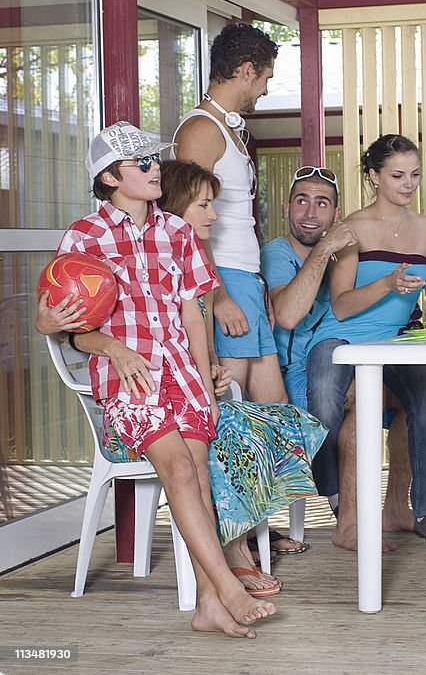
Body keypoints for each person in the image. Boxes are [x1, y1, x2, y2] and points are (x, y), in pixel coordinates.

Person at [35, 121, 275, 638]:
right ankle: (227, 587)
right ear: (109, 176)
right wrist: (111, 347)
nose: (154, 169)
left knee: (201, 477)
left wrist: (204, 372)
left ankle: (207, 606)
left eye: (154, 160)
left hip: (183, 375)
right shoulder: (85, 236)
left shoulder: (178, 232)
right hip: (130, 380)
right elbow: (64, 326)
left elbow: (194, 314)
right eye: (140, 163)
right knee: (181, 472)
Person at [157, 159, 327, 592]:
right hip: (163, 404)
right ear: (176, 209)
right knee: (233, 433)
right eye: (204, 206)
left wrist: (209, 371)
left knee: (282, 421)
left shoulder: (196, 266)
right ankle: (234, 552)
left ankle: (254, 532)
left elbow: (198, 339)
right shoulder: (157, 265)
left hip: (192, 392)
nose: (215, 216)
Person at [305, 134, 426, 551]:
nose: (408, 184)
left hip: (395, 342)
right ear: (374, 176)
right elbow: (343, 307)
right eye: (398, 175)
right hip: (341, 338)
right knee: (324, 406)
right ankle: (337, 501)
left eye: (415, 175)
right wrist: (387, 283)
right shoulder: (352, 229)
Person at [259, 165, 414, 534]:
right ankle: (345, 509)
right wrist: (327, 246)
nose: (311, 213)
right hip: (289, 374)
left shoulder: (343, 258)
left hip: (339, 362)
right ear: (286, 207)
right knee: (364, 394)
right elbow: (289, 314)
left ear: (336, 214)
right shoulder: (277, 254)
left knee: (414, 398)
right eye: (302, 201)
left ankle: (394, 506)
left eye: (322, 203)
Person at [173, 23, 286, 404]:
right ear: (246, 70)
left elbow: (239, 218)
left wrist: (257, 285)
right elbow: (184, 218)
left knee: (277, 416)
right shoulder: (201, 129)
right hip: (223, 279)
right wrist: (219, 295)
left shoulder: (228, 127)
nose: (266, 89)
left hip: (245, 278)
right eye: (265, 78)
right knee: (229, 412)